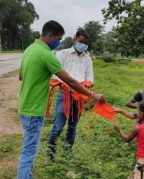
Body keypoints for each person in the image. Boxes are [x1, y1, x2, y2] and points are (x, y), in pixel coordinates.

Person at [17, 20, 104, 179]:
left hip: (26, 106)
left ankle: (66, 155)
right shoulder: (50, 55)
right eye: (58, 39)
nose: (58, 42)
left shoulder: (30, 49)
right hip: (36, 108)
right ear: (51, 36)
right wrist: (92, 95)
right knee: (29, 153)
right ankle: (45, 158)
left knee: (70, 128)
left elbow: (21, 76)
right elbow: (69, 81)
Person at [47, 29, 94, 160]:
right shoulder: (63, 54)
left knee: (72, 128)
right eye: (81, 41)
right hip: (64, 95)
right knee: (58, 127)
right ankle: (50, 156)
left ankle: (67, 156)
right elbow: (55, 76)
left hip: (79, 97)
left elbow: (90, 79)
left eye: (86, 43)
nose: (83, 45)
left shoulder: (87, 59)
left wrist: (85, 86)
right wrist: (69, 87)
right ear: (74, 40)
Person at [114, 99, 144, 179]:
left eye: (138, 111)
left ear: (142, 114)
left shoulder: (138, 128)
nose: (137, 113)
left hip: (143, 162)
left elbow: (127, 139)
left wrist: (118, 129)